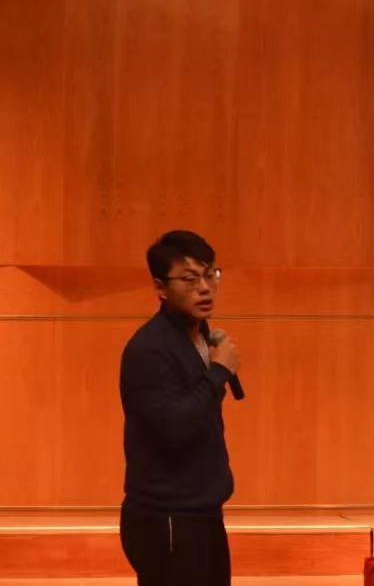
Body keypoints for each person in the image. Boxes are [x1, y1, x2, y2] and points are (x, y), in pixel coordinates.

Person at [118, 230, 242, 585]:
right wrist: (218, 372)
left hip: (202, 513)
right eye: (189, 279)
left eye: (210, 275)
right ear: (160, 287)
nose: (205, 288)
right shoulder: (149, 350)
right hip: (167, 519)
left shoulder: (199, 336)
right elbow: (175, 429)